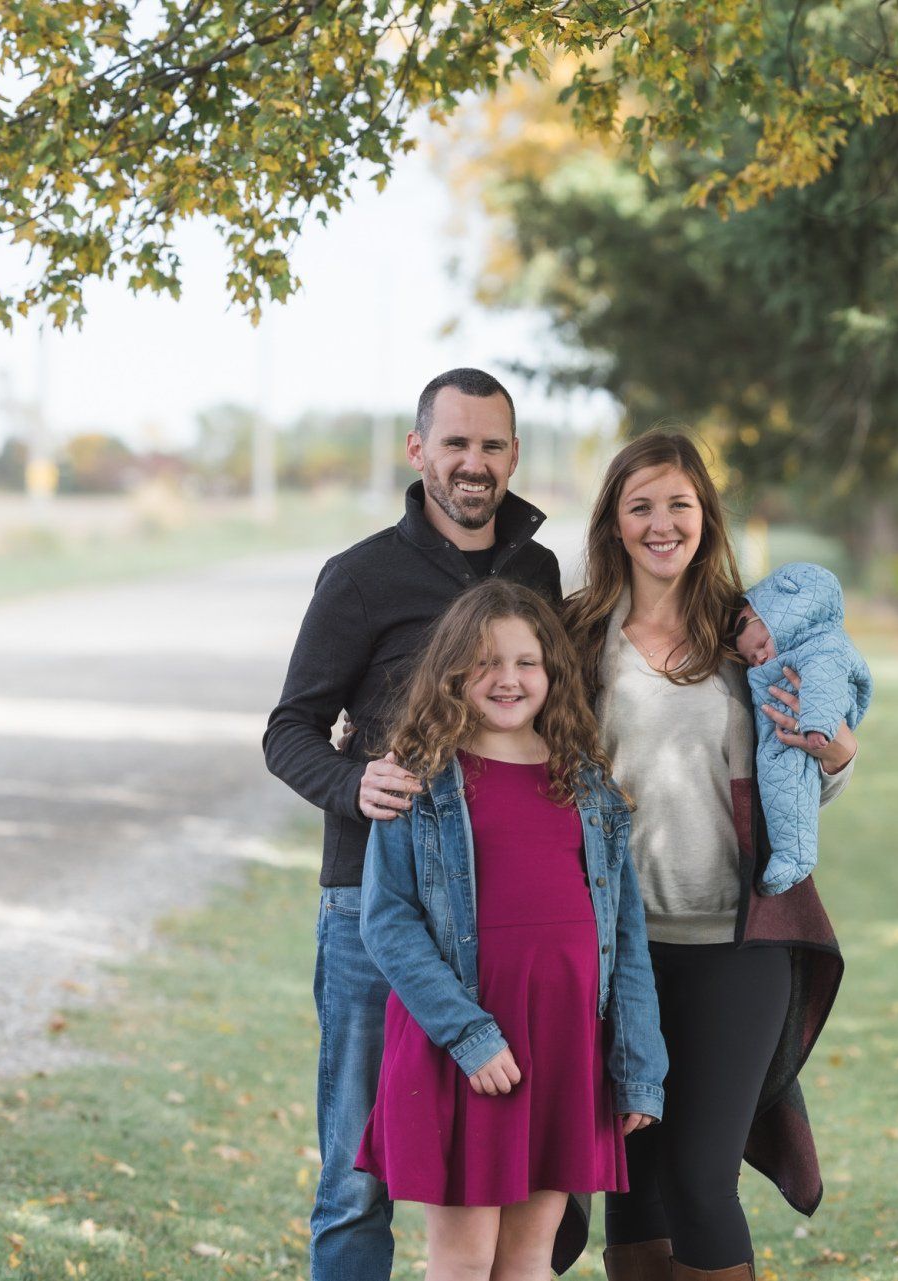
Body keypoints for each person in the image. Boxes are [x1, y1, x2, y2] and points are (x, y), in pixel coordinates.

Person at [263, 368, 562, 1281]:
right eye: (457, 443)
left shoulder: (539, 572)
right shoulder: (359, 577)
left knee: (506, 1160)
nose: (474, 464)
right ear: (418, 450)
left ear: (513, 455)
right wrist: (354, 784)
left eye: (493, 445)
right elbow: (289, 732)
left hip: (501, 916)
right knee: (360, 1170)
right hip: (369, 905)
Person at [561, 432, 860, 1281]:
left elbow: (801, 768)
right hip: (618, 950)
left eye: (679, 504)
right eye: (641, 505)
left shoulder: (749, 633)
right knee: (635, 1180)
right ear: (614, 523)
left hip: (738, 943)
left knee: (700, 1179)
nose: (662, 523)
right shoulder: (580, 633)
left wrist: (836, 756)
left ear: (706, 517)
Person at [355, 580, 665, 1281]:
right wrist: (468, 1033)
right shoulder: (422, 779)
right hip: (465, 1044)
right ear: (453, 673)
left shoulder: (587, 783)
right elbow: (387, 921)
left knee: (531, 1259)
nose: (508, 679)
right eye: (486, 661)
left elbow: (626, 933)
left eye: (527, 662)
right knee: (464, 1261)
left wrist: (639, 1063)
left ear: (553, 674)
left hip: (563, 1041)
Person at [731, 562, 872, 896]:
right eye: (753, 659)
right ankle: (792, 855)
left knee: (790, 781)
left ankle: (795, 856)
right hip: (786, 729)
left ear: (783, 615)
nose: (761, 660)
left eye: (762, 647)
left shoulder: (822, 645)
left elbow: (824, 680)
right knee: (783, 782)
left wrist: (821, 730)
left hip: (808, 727)